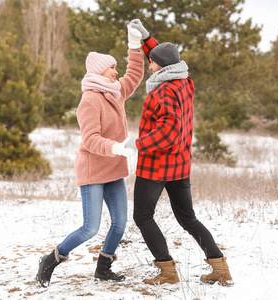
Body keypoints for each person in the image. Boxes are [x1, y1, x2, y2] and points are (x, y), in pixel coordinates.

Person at [36, 24, 145, 288]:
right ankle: (51, 259)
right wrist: (116, 148)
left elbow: (134, 74)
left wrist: (134, 45)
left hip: (113, 169)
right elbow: (90, 139)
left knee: (120, 223)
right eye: (112, 69)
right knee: (90, 228)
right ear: (100, 72)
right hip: (93, 170)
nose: (116, 73)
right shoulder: (90, 101)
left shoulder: (115, 93)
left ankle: (103, 268)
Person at [126, 19, 233, 286]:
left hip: (156, 167)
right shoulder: (185, 82)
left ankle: (167, 271)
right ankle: (220, 267)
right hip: (180, 165)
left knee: (142, 216)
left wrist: (137, 144)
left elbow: (168, 133)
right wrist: (147, 37)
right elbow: (165, 55)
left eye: (152, 61)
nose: (149, 63)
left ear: (160, 67)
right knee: (188, 218)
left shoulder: (162, 93)